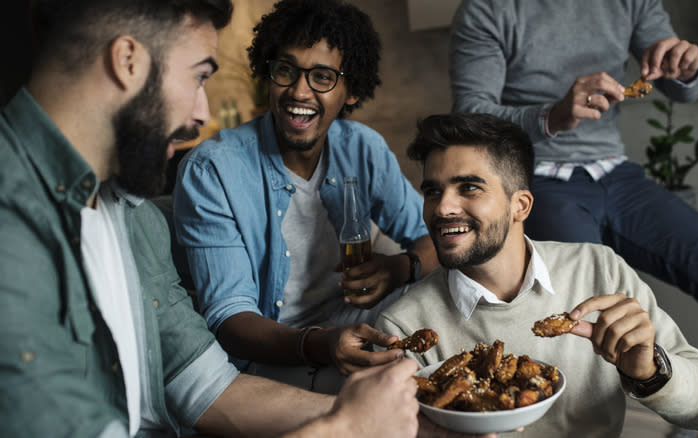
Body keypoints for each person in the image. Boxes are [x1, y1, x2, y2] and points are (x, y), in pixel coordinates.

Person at [0, 1, 424, 437]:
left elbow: (208, 388)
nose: (203, 114)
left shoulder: (134, 215)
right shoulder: (13, 219)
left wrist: (384, 421)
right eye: (199, 75)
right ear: (127, 62)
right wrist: (349, 427)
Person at [448, 0, 698, 389]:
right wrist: (552, 115)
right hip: (539, 178)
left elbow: (684, 86)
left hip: (616, 175)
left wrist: (688, 68)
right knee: (581, 316)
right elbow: (469, 114)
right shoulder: (487, 9)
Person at [375, 113, 698, 437]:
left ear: (521, 205)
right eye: (433, 191)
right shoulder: (405, 326)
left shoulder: (598, 270)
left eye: (469, 187)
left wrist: (650, 371)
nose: (442, 208)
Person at [173, 0, 437, 391]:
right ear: (268, 73)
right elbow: (229, 319)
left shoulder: (362, 148)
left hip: (354, 325)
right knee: (395, 393)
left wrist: (401, 268)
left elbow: (435, 239)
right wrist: (321, 344)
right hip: (271, 355)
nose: (299, 91)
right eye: (286, 71)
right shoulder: (212, 170)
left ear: (351, 91)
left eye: (323, 77)